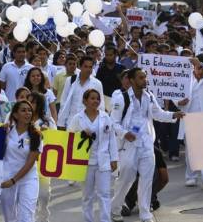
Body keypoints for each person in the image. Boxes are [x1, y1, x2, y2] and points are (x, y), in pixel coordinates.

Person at [110, 68, 185, 222]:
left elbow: (158, 113)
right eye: (141, 77)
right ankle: (115, 209)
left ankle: (145, 213)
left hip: (146, 144)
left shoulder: (149, 96)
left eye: (145, 77)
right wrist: (125, 133)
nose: (145, 80)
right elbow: (114, 123)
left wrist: (173, 115)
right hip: (129, 144)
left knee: (147, 178)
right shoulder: (121, 98)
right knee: (126, 178)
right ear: (131, 80)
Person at [68, 89, 118, 222]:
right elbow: (69, 137)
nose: (96, 101)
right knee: (87, 196)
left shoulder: (105, 117)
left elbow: (112, 138)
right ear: (85, 101)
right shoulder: (77, 118)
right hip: (85, 163)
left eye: (97, 99)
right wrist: (81, 134)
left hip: (103, 161)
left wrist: (114, 159)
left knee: (105, 194)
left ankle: (105, 220)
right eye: (92, 98)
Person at [174, 55, 203, 188]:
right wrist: (178, 103)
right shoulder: (185, 77)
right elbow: (176, 94)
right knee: (191, 148)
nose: (201, 68)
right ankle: (191, 176)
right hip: (190, 116)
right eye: (198, 66)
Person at [0, 100, 42, 222]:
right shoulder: (6, 132)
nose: (27, 113)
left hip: (28, 179)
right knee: (10, 218)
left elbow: (30, 163)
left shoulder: (36, 135)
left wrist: (14, 180)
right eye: (23, 110)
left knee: (26, 217)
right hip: (7, 178)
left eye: (29, 110)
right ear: (15, 115)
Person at [27, 92, 56, 222]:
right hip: (25, 163)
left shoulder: (48, 121)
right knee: (28, 197)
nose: (30, 104)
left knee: (44, 195)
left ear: (39, 105)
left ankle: (43, 218)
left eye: (33, 102)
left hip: (43, 163)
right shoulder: (21, 119)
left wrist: (48, 132)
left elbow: (57, 141)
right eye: (28, 101)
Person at [58, 56, 105, 130]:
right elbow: (64, 102)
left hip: (89, 124)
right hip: (71, 123)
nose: (88, 69)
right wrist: (61, 123)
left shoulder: (97, 83)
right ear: (80, 67)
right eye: (85, 66)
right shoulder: (70, 80)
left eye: (90, 67)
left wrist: (100, 123)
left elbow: (101, 105)